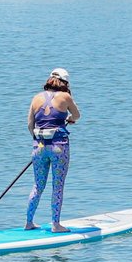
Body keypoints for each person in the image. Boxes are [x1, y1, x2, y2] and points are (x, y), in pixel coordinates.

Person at [25, 67, 81, 233]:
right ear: (64, 83)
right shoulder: (65, 97)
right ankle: (56, 225)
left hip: (39, 148)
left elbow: (30, 125)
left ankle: (29, 222)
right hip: (59, 147)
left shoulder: (36, 98)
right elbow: (77, 115)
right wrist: (69, 119)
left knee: (37, 185)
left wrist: (38, 143)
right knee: (57, 186)